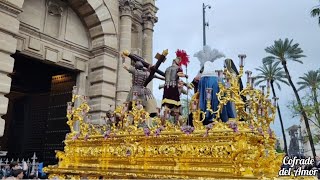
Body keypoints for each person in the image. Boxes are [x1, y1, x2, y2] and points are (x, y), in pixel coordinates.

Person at [161, 50, 189, 124]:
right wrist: (185, 75)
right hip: (173, 89)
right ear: (178, 60)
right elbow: (179, 74)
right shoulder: (178, 68)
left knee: (166, 107)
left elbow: (165, 78)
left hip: (166, 88)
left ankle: (164, 125)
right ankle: (178, 126)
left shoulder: (167, 69)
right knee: (177, 108)